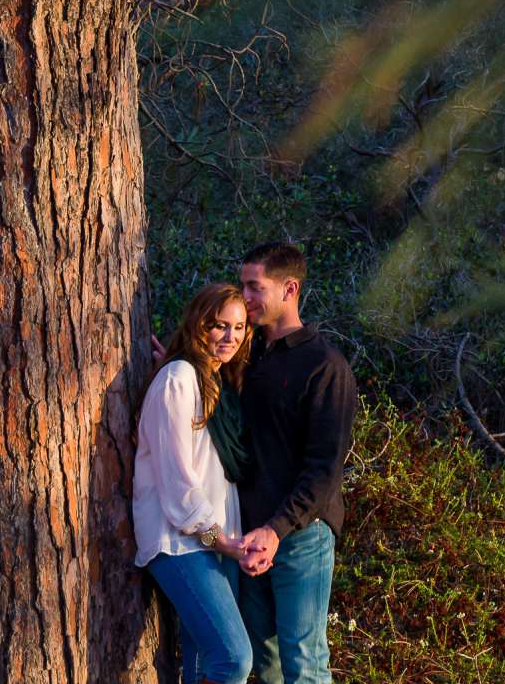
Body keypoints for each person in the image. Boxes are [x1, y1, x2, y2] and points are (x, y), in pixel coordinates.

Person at [231, 241, 358, 684]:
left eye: (254, 287)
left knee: (303, 665)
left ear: (289, 289)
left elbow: (325, 469)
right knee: (263, 667)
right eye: (242, 285)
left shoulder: (324, 366)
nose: (245, 297)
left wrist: (276, 529)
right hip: (247, 536)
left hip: (300, 534)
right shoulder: (246, 354)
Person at [134, 282, 255, 684]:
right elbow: (177, 480)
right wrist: (218, 538)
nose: (230, 337)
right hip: (182, 541)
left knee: (202, 664)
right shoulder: (179, 378)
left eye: (239, 328)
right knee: (233, 658)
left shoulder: (218, 384)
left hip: (216, 542)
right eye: (219, 325)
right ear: (198, 325)